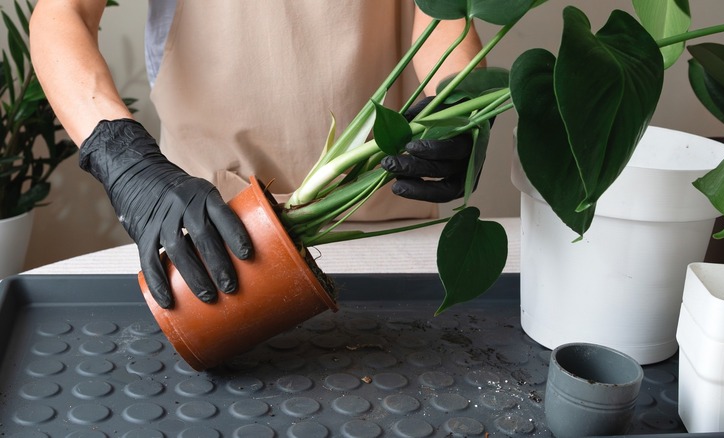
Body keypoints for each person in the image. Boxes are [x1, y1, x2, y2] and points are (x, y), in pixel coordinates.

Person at [29, 1, 485, 309]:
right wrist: (122, 158)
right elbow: (63, 12)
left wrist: (454, 107)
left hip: (386, 211)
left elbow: (445, 12)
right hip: (206, 223)